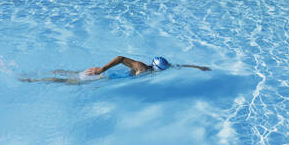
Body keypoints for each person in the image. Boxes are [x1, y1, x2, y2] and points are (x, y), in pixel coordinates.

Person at [20, 56, 211, 84]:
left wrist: (198, 67)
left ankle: (37, 74)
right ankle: (33, 80)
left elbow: (179, 66)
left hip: (105, 76)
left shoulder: (154, 69)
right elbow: (120, 58)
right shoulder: (141, 68)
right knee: (70, 82)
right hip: (101, 76)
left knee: (69, 73)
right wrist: (102, 69)